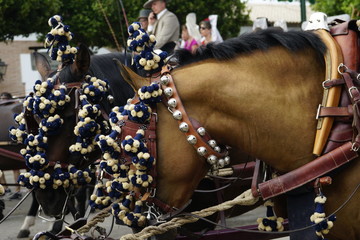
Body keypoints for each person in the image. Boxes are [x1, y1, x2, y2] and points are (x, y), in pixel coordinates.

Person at [0, 92, 22, 200]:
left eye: (5, 99)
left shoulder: (14, 111)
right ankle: (5, 188)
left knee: (15, 168)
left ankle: (17, 190)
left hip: (13, 141)